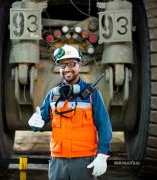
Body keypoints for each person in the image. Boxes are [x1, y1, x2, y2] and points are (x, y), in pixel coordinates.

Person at [28, 44, 112, 180]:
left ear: (79, 65)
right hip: (58, 162)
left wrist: (102, 154)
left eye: (72, 64)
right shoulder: (52, 95)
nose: (67, 69)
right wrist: (34, 123)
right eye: (62, 65)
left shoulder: (92, 94)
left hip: (84, 161)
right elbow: (39, 121)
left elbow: (104, 125)